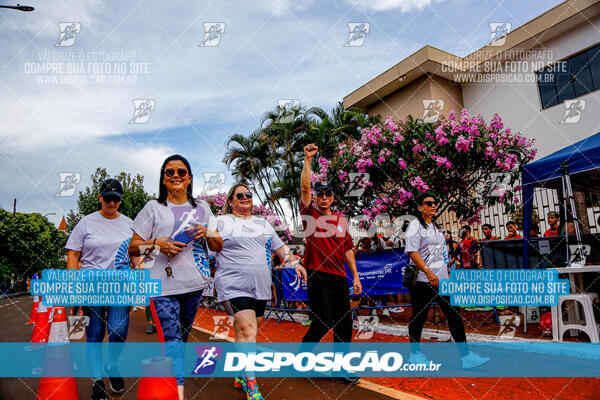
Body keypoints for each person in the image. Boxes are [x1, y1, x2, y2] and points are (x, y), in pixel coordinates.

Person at [128, 155, 223, 400]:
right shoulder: (153, 207)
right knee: (171, 342)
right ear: (163, 178)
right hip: (161, 288)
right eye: (169, 172)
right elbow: (133, 247)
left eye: (181, 172)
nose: (176, 176)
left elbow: (218, 245)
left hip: (192, 285)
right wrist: (156, 244)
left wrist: (208, 231)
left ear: (189, 178)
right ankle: (177, 393)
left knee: (180, 339)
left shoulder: (202, 208)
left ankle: (169, 386)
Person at [214, 183, 305, 400]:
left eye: (248, 195)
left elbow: (281, 248)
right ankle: (252, 385)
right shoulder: (221, 221)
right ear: (231, 201)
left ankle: (239, 374)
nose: (245, 197)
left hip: (260, 287)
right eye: (240, 195)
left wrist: (295, 263)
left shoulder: (263, 224)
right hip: (232, 284)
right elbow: (209, 246)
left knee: (246, 333)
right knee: (247, 328)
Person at [65, 178, 135, 400]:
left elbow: (135, 255)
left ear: (120, 201)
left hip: (120, 287)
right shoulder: (86, 223)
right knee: (94, 334)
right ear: (100, 198)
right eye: (108, 198)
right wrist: (73, 285)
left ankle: (112, 365)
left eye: (116, 199)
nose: (112, 202)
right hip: (91, 287)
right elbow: (73, 255)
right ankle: (97, 383)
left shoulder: (129, 224)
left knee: (118, 331)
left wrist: (140, 275)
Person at [300, 143, 363, 385]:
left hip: (339, 278)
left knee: (344, 324)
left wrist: (355, 277)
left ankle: (340, 369)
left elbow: (348, 250)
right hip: (318, 276)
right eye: (320, 194)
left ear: (333, 198)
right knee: (322, 321)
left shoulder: (340, 221)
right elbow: (305, 187)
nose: (324, 197)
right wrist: (308, 160)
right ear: (316, 198)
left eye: (328, 194)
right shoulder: (310, 215)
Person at [405, 192, 489, 368]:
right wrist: (428, 272)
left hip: (443, 281)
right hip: (423, 281)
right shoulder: (415, 226)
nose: (433, 205)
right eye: (428, 203)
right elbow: (412, 252)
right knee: (419, 317)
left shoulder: (434, 227)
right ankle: (415, 354)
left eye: (434, 202)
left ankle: (466, 356)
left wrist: (446, 274)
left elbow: (441, 254)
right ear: (420, 207)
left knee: (454, 315)